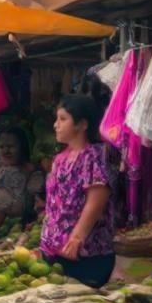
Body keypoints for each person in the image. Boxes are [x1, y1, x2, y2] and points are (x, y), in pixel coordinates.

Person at [41, 93, 116, 287]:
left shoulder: (94, 156)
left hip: (86, 254)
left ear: (82, 124)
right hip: (55, 252)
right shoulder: (59, 159)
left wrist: (77, 238)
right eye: (56, 119)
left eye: (63, 119)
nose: (56, 125)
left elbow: (97, 199)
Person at [0, 124, 43, 249]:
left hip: (24, 236)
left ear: (21, 148)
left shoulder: (34, 173)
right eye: (1, 147)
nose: (6, 151)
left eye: (11, 146)